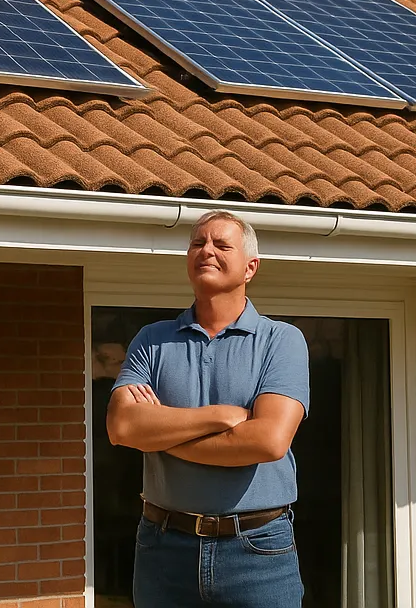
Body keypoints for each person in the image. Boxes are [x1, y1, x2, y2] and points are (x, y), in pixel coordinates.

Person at [107, 210, 310, 608]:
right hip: (163, 546)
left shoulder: (281, 341)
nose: (206, 251)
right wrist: (221, 416)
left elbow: (267, 441)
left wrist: (161, 437)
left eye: (221, 244)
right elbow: (121, 426)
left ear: (251, 266)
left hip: (257, 550)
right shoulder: (152, 340)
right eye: (197, 243)